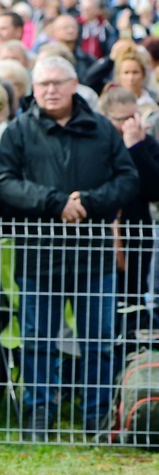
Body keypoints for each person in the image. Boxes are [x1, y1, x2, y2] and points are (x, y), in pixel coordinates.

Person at [0, 56, 139, 439]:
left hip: (94, 256)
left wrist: (88, 202)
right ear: (34, 89)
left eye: (58, 83)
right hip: (39, 256)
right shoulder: (19, 131)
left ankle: (97, 414)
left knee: (99, 341)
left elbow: (127, 180)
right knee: (38, 338)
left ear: (75, 85)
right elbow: (4, 182)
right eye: (42, 85)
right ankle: (39, 411)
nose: (50, 90)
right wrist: (55, 202)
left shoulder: (103, 130)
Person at [99, 86, 159, 334]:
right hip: (105, 231)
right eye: (123, 119)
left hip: (136, 229)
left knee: (134, 289)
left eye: (134, 117)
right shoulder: (99, 142)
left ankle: (133, 334)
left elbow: (155, 189)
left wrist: (135, 148)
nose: (130, 124)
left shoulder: (146, 143)